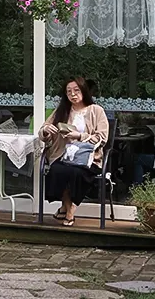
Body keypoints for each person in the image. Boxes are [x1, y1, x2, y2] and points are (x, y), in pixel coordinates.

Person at [40, 77, 109, 227]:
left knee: (77, 173)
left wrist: (80, 136)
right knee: (58, 169)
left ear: (84, 91)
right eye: (69, 91)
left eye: (76, 90)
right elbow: (43, 133)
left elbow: (102, 138)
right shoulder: (62, 111)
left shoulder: (96, 111)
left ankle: (69, 210)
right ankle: (66, 207)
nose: (73, 94)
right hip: (63, 155)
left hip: (88, 158)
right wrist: (46, 131)